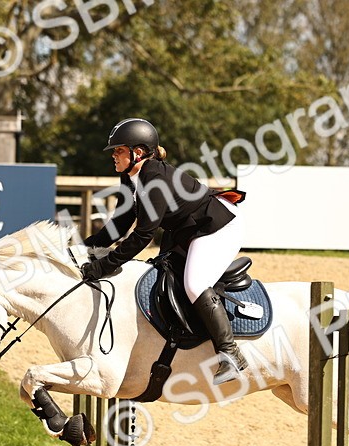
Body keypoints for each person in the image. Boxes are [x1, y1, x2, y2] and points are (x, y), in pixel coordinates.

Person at [82, 118, 249, 385]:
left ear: (138, 152)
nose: (113, 156)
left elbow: (143, 235)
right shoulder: (130, 177)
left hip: (218, 226)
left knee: (194, 284)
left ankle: (230, 354)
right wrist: (86, 248)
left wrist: (104, 266)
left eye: (119, 150)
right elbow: (120, 224)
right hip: (187, 230)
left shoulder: (154, 178)